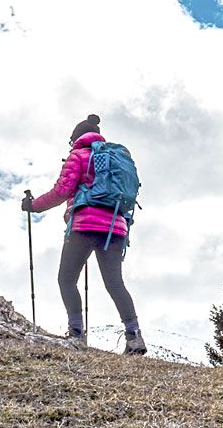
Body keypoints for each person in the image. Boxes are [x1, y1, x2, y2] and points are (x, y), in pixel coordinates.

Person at [23, 114, 147, 355]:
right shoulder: (114, 157)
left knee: (66, 279)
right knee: (115, 283)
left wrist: (34, 206)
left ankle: (77, 334)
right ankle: (135, 337)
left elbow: (62, 191)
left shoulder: (78, 155)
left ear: (75, 139)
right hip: (115, 226)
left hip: (85, 225)